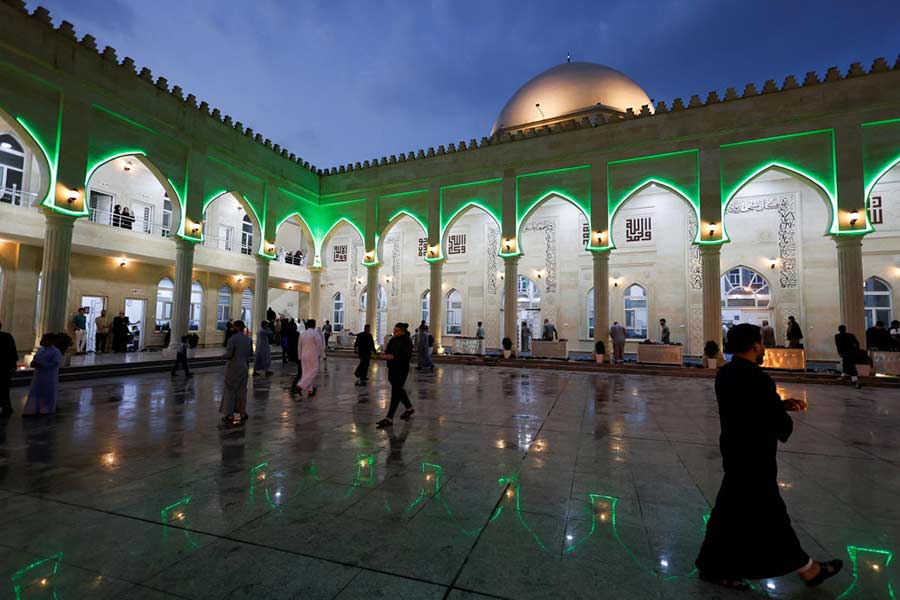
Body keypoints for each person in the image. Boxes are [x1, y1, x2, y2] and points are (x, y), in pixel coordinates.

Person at [696, 323, 842, 590]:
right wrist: (782, 415)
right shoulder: (756, 378)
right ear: (754, 346)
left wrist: (779, 404)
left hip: (735, 450)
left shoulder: (726, 373)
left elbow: (746, 408)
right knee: (773, 516)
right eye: (761, 344)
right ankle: (809, 570)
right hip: (754, 456)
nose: (763, 348)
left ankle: (712, 566)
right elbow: (771, 419)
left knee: (728, 512)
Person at [376, 322, 414, 428]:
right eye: (394, 330)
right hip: (392, 368)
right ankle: (409, 408)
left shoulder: (407, 341)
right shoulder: (393, 340)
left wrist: (393, 357)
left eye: (397, 330)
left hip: (401, 369)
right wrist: (385, 355)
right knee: (398, 390)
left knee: (396, 393)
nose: (394, 332)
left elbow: (406, 356)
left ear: (402, 331)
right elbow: (388, 351)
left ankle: (389, 418)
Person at [220, 320, 253, 424]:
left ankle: (230, 415)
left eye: (233, 326)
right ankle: (240, 414)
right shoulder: (248, 339)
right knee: (241, 392)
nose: (232, 328)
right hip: (244, 368)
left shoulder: (232, 339)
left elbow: (230, 354)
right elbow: (250, 353)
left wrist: (223, 356)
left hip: (233, 368)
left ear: (238, 327)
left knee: (230, 391)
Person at [22, 333, 62, 416]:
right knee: (36, 392)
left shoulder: (55, 351)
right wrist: (33, 363)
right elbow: (35, 358)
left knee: (47, 392)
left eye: (44, 339)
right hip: (39, 375)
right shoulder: (41, 350)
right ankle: (34, 409)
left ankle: (46, 409)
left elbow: (55, 363)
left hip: (49, 376)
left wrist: (42, 365)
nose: (42, 341)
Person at [296, 318, 325, 397]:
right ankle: (300, 385)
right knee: (314, 371)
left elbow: (299, 346)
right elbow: (319, 345)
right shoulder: (315, 334)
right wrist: (323, 355)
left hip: (304, 355)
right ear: (314, 325)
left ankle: (310, 390)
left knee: (306, 372)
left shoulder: (302, 334)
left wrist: (299, 356)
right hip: (313, 354)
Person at [0, 321, 17, 418]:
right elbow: (13, 351)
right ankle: (6, 407)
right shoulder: (7, 336)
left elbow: (12, 351)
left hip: (4, 367)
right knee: (4, 388)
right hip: (5, 367)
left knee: (4, 388)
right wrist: (13, 365)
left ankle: (6, 407)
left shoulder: (7, 337)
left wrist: (13, 364)